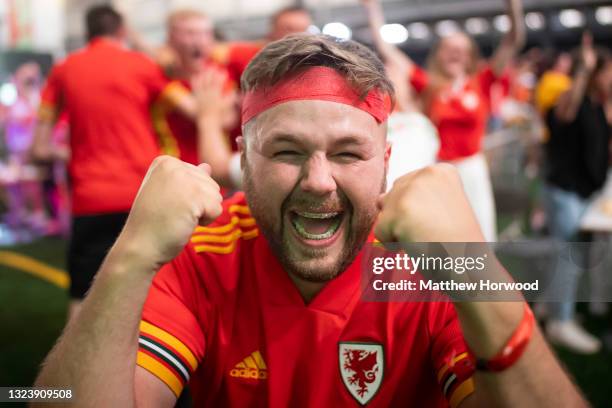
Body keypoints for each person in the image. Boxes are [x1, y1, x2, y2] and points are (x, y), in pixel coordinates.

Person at [35, 34, 584, 407]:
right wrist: (130, 256)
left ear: (386, 164)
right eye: (286, 152)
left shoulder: (429, 264)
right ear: (244, 163)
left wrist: (474, 269)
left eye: (348, 153)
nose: (319, 181)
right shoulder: (201, 253)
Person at [32, 5, 198, 319]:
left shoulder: (65, 69)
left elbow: (39, 148)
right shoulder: (141, 65)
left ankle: (76, 368)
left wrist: (73, 152)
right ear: (121, 31)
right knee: (158, 293)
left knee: (83, 296)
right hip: (144, 194)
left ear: (87, 32)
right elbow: (192, 108)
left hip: (90, 198)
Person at [365, 0, 525, 242]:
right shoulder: (430, 85)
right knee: (443, 238)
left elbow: (513, 40)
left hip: (471, 169)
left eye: (461, 48)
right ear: (439, 53)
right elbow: (387, 51)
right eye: (449, 47)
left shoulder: (481, 81)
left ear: (470, 55)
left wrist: (513, 6)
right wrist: (372, 8)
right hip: (439, 170)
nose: (456, 52)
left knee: (481, 235)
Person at [542, 33, 611, 354]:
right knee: (568, 257)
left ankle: (554, 309)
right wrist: (583, 68)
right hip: (565, 191)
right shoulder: (572, 101)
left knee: (571, 255)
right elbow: (565, 115)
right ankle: (560, 323)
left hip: (581, 191)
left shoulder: (598, 106)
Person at [360, 0, 440, 188]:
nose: (388, 71)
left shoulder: (420, 109)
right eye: (384, 70)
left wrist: (372, 8)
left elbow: (386, 48)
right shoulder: (374, 107)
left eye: (393, 69)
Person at [148, 9, 238, 167]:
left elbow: (227, 120)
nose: (200, 41)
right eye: (190, 34)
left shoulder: (220, 70)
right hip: (177, 170)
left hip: (217, 168)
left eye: (206, 33)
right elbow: (199, 112)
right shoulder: (160, 76)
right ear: (171, 38)